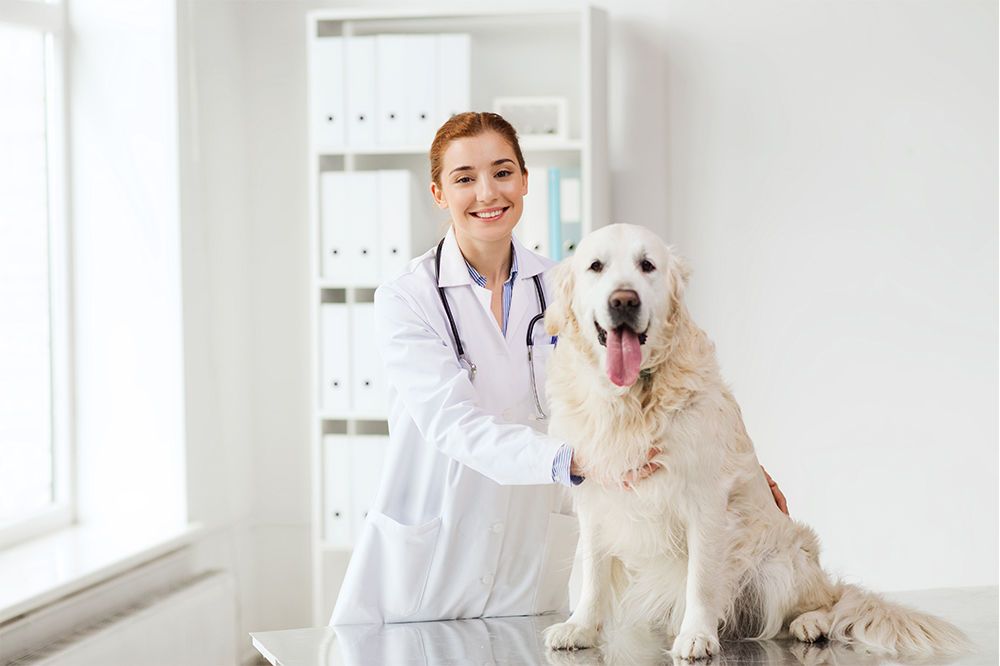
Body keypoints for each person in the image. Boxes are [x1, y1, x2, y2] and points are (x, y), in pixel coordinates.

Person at [329, 112, 787, 626]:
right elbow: (452, 424)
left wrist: (738, 469)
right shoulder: (406, 298)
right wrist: (574, 461)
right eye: (464, 178)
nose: (487, 192)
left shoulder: (571, 282)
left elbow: (668, 376)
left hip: (529, 567)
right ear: (439, 193)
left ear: (525, 181)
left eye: (503, 172)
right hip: (430, 567)